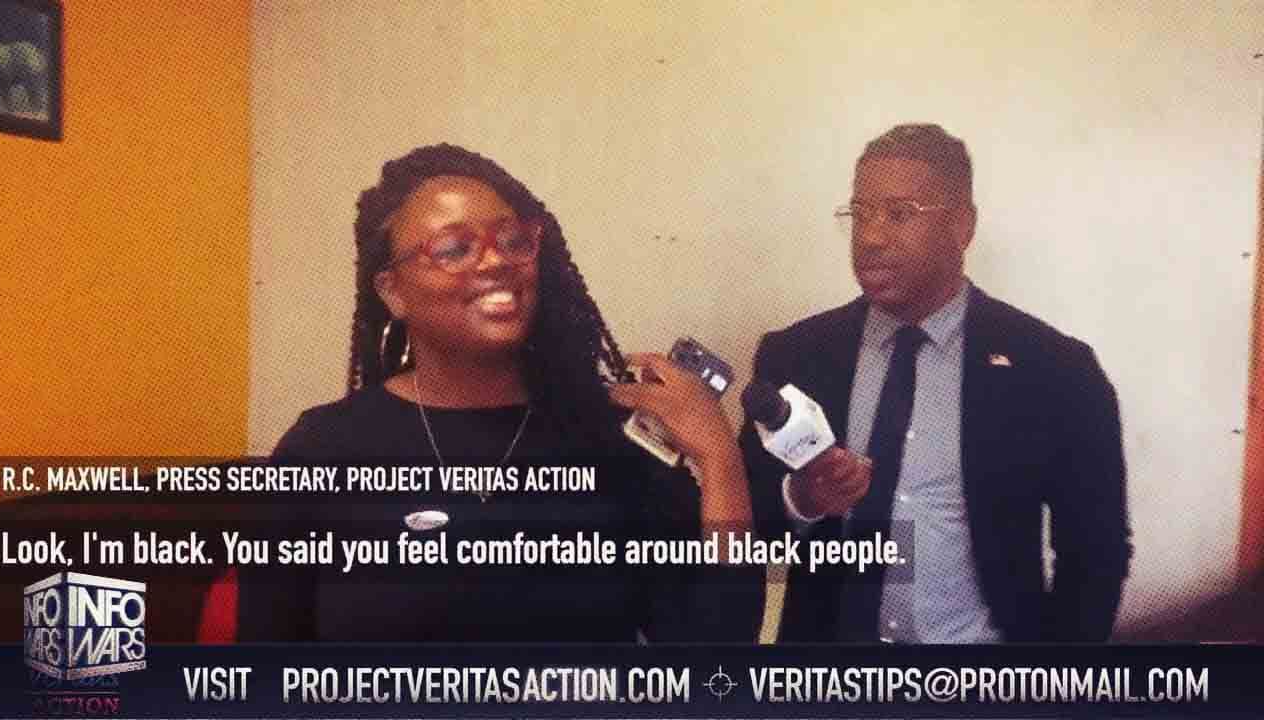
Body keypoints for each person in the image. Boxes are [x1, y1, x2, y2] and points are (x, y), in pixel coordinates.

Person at [238, 143, 760, 642]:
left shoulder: (612, 441)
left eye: (512, 241)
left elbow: (717, 652)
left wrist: (720, 459)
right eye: (453, 248)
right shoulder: (323, 448)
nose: (495, 261)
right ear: (392, 291)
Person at [740, 124, 1130, 643]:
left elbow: (1096, 554)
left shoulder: (1056, 371)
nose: (871, 238)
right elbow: (742, 529)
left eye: (900, 214)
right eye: (861, 213)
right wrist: (801, 498)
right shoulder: (797, 355)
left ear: (962, 226)